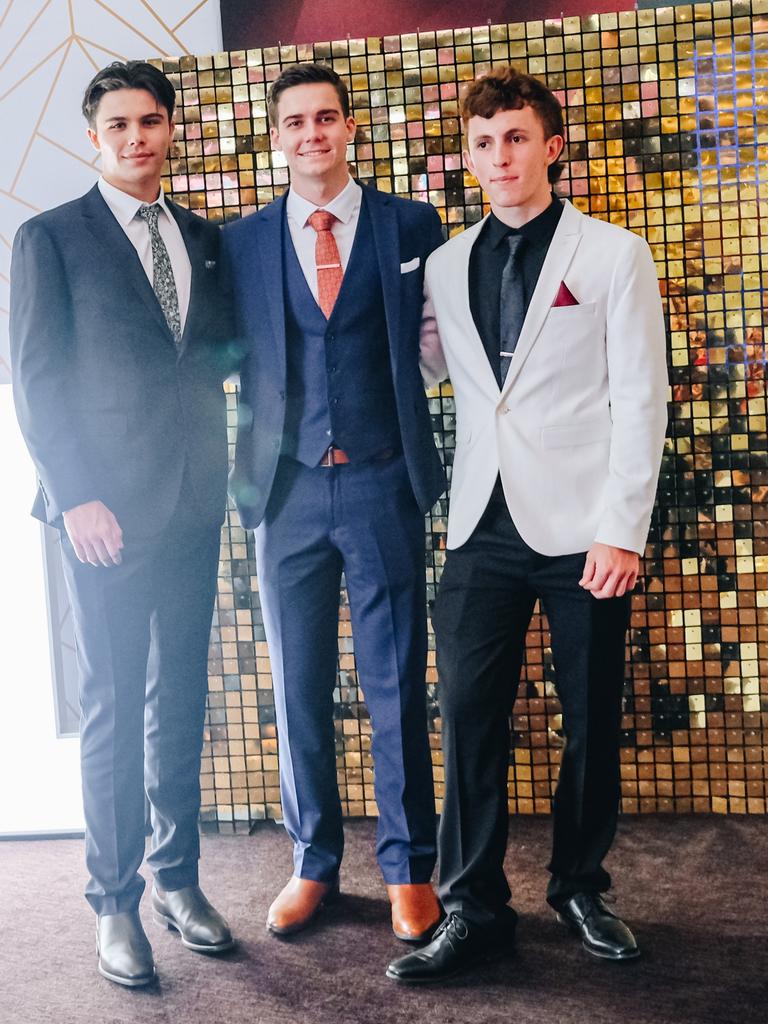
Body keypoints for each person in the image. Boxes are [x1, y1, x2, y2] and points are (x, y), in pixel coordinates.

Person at [387, 65, 668, 984]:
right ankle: (473, 908)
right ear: (468, 158)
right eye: (482, 142)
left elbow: (641, 398)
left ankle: (581, 886)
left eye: (515, 137)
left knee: (590, 719)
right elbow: (436, 372)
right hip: (479, 525)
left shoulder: (612, 256)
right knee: (468, 716)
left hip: (587, 525)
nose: (498, 156)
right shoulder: (442, 262)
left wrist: (622, 528)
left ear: (551, 146)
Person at [10, 61, 238, 987]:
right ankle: (114, 903)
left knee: (180, 698)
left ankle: (177, 881)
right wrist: (75, 497)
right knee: (113, 709)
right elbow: (38, 379)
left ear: (171, 129)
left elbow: (220, 356)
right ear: (91, 138)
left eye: (151, 121)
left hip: (194, 504)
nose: (137, 138)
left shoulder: (205, 238)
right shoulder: (50, 238)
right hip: (101, 514)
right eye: (118, 125)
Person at [224, 62, 445, 942]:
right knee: (298, 685)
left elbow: (438, 338)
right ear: (275, 136)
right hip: (287, 488)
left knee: (394, 684)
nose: (311, 134)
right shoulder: (240, 242)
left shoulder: (410, 224)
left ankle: (407, 868)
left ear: (350, 127)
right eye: (294, 122)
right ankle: (313, 861)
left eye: (326, 119)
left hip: (383, 478)